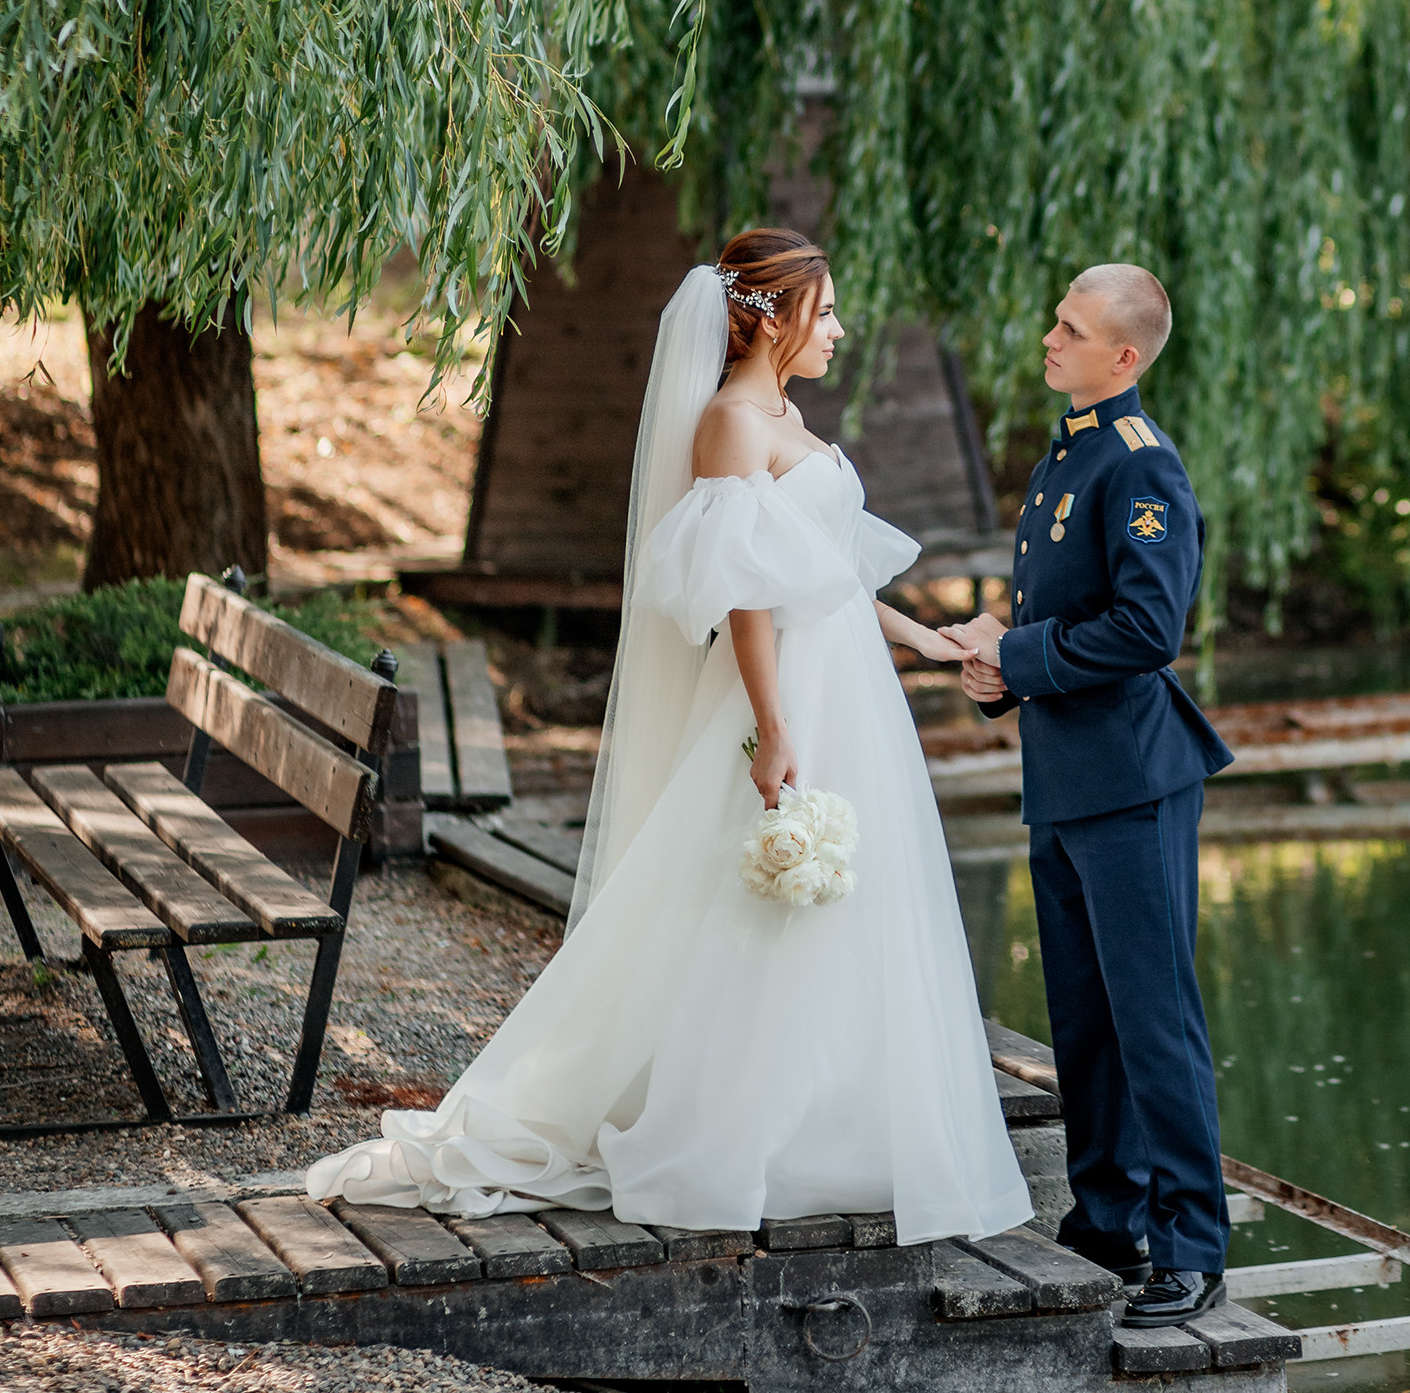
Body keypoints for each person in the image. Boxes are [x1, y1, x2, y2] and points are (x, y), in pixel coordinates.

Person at [304, 228, 1031, 1246]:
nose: (839, 329)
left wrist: (932, 639)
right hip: (789, 696)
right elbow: (743, 598)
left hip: (849, 686)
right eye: (824, 312)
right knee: (752, 899)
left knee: (853, 903)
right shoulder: (730, 422)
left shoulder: (782, 413)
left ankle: (842, 1118)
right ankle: (739, 1132)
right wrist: (774, 729)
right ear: (771, 316)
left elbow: (826, 573)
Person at [946, 264, 1234, 1328]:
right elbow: (1059, 623)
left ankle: (1191, 1246)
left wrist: (1019, 654)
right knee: (1084, 1021)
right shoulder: (1066, 452)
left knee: (1151, 1020)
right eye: (1052, 319)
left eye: (1069, 330)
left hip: (1131, 783)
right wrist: (1000, 666)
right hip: (1065, 777)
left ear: (1124, 356)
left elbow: (1148, 632)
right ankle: (1105, 1221)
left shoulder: (1135, 465)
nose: (1047, 339)